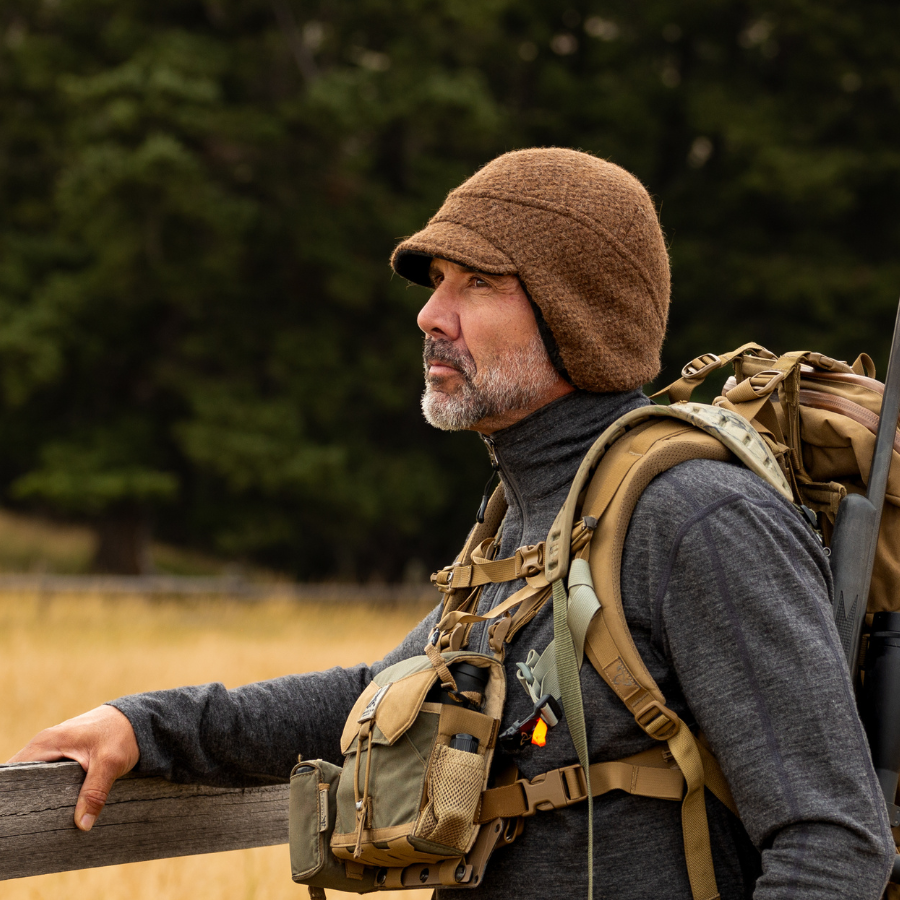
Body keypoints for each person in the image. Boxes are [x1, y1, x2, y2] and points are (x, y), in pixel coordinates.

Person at [10, 148, 894, 898]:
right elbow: (377, 695)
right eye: (437, 283)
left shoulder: (697, 518)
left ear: (576, 312)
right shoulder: (528, 515)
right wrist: (146, 726)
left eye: (478, 283)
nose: (431, 315)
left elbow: (833, 843)